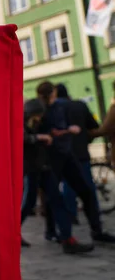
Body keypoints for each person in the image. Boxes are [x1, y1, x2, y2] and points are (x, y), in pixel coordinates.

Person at [37, 81, 115, 249]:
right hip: (53, 158)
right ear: (53, 93)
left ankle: (93, 231)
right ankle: (64, 237)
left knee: (81, 192)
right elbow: (44, 133)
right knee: (56, 197)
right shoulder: (43, 111)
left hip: (66, 155)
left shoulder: (59, 108)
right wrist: (66, 131)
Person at [54, 84, 100, 223]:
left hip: (63, 154)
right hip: (81, 153)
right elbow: (93, 126)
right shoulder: (80, 105)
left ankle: (71, 215)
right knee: (88, 187)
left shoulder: (54, 109)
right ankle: (94, 219)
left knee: (68, 186)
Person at [21, 99, 54, 247]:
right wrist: (38, 138)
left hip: (39, 165)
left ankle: (52, 231)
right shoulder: (21, 121)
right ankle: (14, 231)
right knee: (29, 201)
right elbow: (22, 138)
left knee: (49, 198)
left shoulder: (33, 122)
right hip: (30, 167)